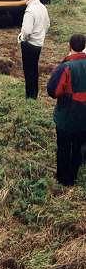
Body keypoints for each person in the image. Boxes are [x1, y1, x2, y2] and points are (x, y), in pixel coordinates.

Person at [47, 34, 86, 186]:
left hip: (67, 116)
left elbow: (53, 91)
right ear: (84, 46)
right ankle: (73, 177)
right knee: (77, 148)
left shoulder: (66, 67)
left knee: (63, 147)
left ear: (69, 46)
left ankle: (63, 179)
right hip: (84, 118)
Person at [19, 0, 50, 99]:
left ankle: (29, 96)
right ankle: (34, 95)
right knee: (34, 69)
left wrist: (23, 38)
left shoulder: (30, 11)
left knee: (28, 71)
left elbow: (27, 31)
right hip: (38, 44)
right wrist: (41, 35)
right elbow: (47, 25)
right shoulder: (43, 7)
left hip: (29, 44)